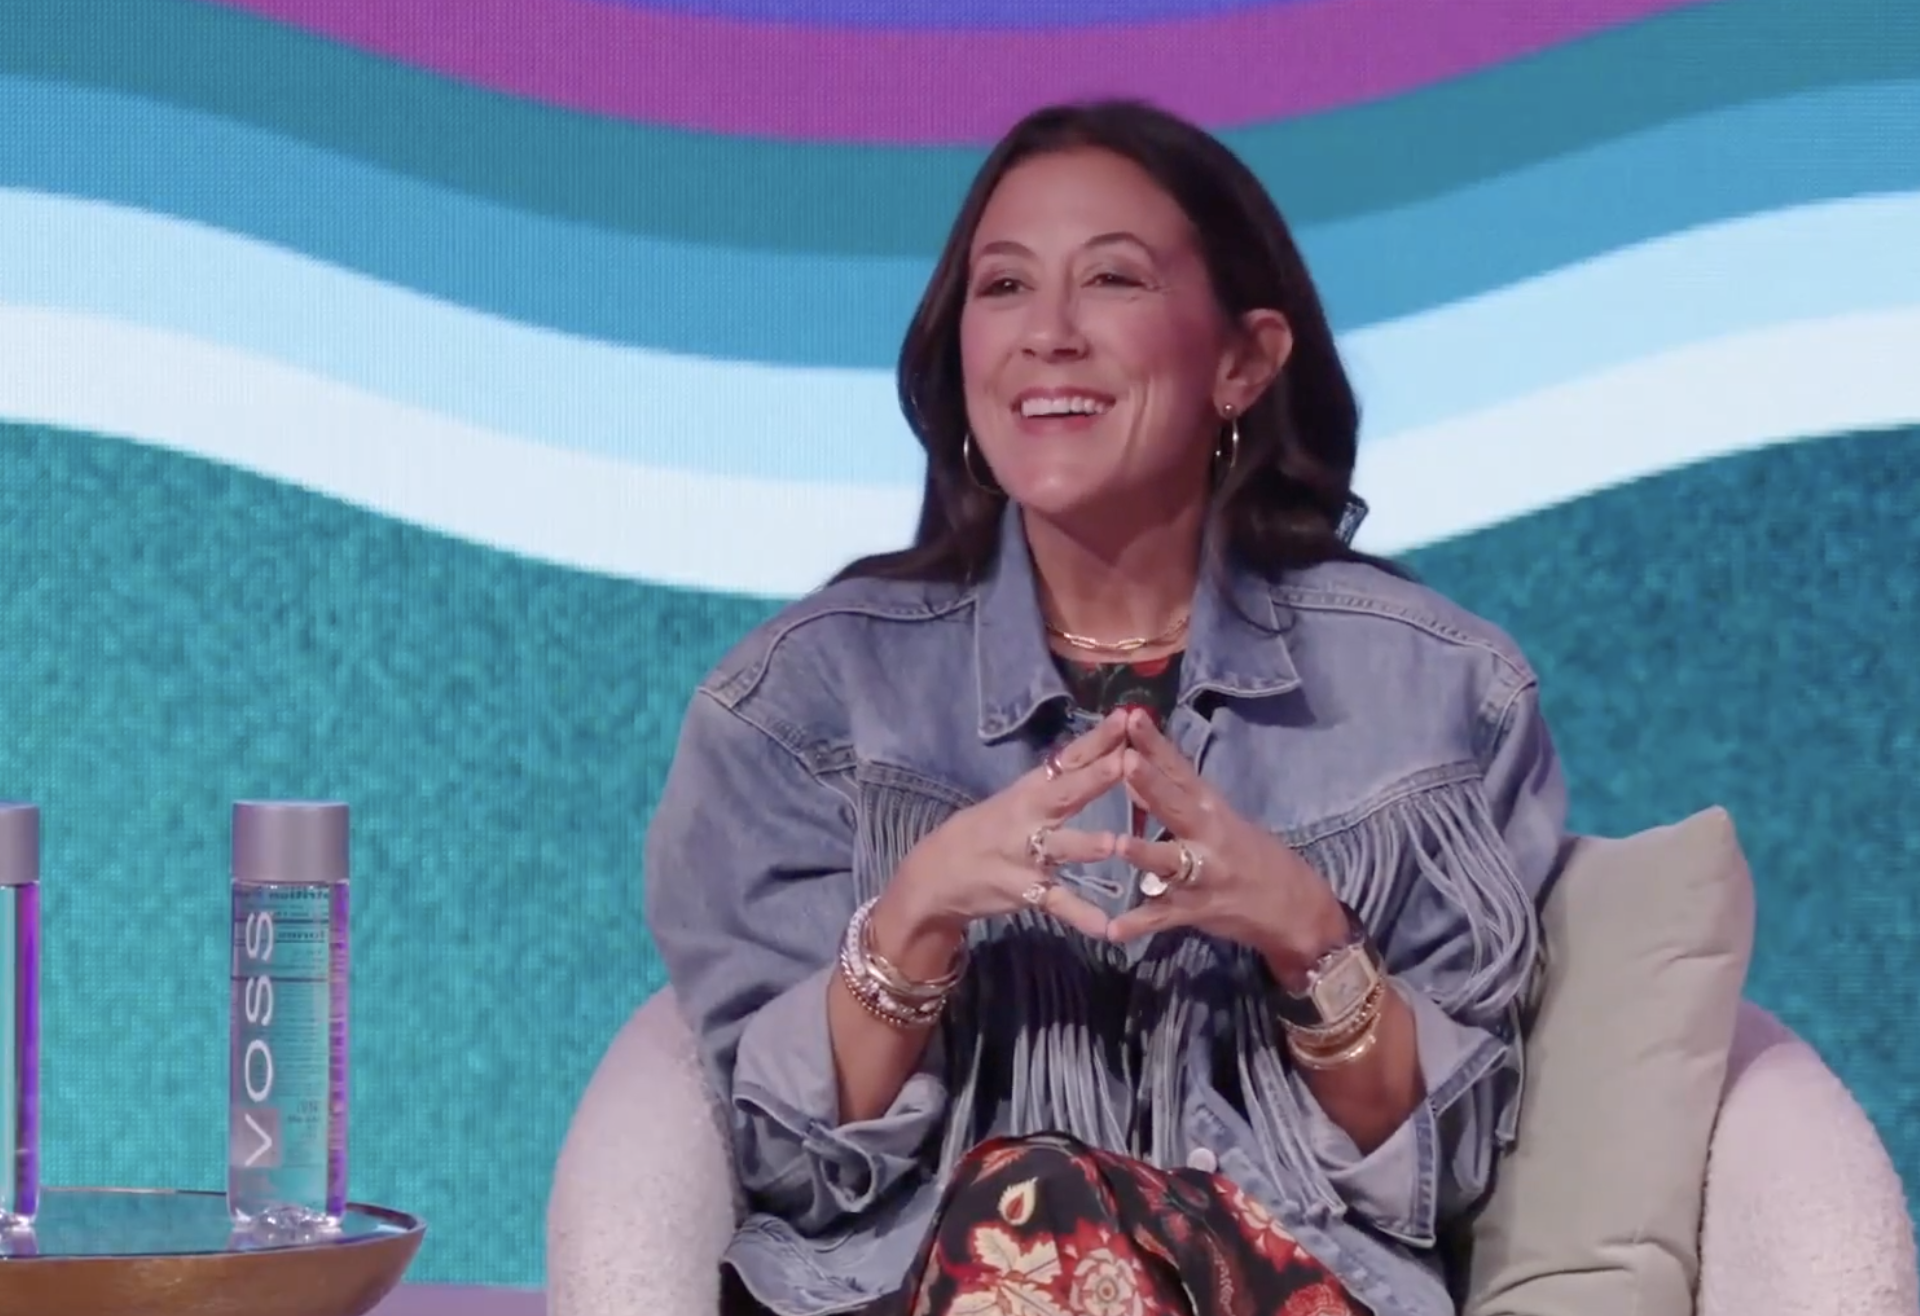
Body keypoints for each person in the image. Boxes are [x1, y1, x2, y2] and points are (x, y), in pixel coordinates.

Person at [643, 99, 1567, 1316]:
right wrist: (913, 917)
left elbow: (1449, 1172)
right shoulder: (805, 702)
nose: (1049, 335)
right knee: (1030, 1190)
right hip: (917, 1289)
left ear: (1240, 359)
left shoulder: (1437, 694)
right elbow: (785, 1165)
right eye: (1005, 287)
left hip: (1288, 1282)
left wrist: (1304, 931)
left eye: (1112, 280)